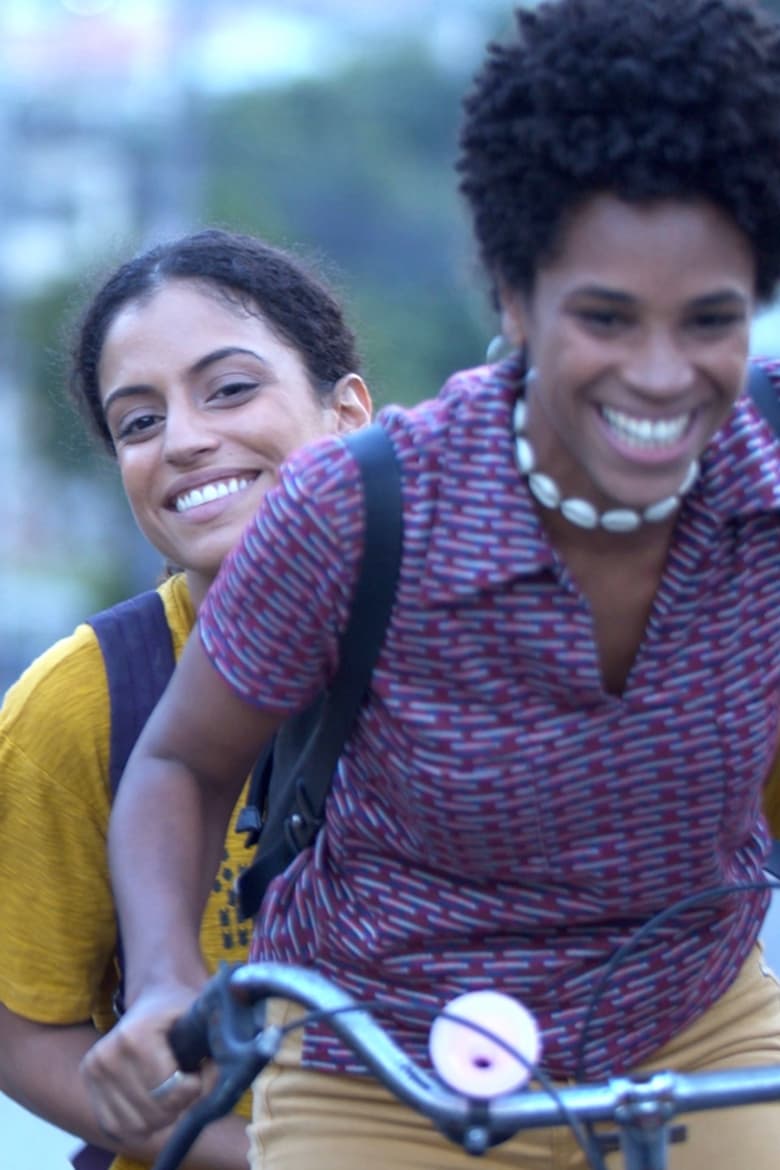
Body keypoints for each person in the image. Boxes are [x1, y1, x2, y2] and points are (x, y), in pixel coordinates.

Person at [81, 1, 780, 1167]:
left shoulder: (768, 499)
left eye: (707, 322)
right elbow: (183, 765)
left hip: (692, 1026)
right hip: (385, 1061)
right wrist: (164, 978)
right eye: (606, 318)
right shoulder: (362, 509)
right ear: (513, 297)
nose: (661, 377)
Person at [0, 227, 371, 1170]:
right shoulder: (80, 705)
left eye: (231, 389)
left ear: (348, 412)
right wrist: (256, 1155)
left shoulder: (483, 634)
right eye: (138, 423)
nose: (186, 439)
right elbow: (22, 1032)